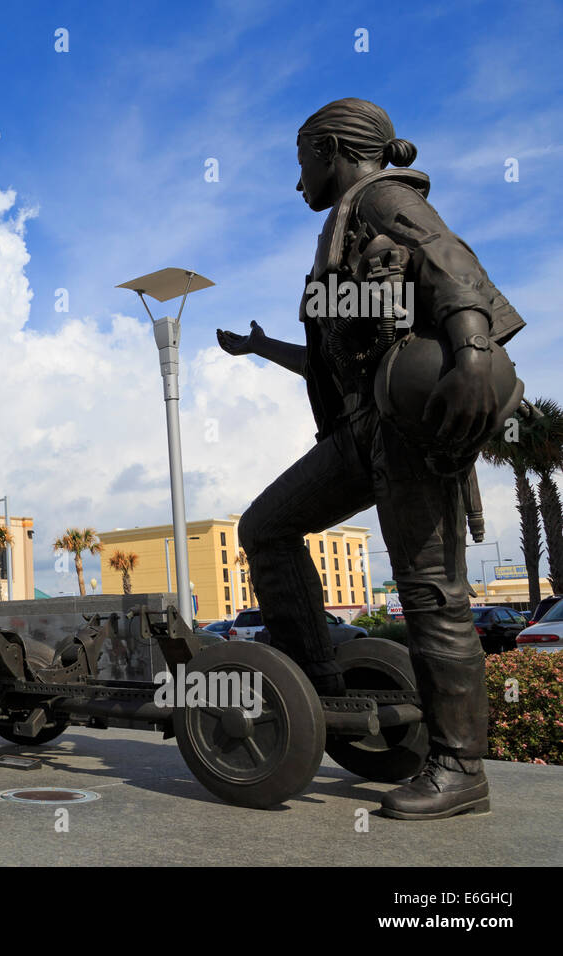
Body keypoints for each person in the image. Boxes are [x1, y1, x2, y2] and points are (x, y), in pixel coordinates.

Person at [217, 98, 523, 820]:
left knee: (430, 593)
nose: (298, 183)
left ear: (329, 149)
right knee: (266, 526)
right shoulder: (344, 222)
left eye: (302, 164)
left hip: (406, 427)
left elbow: (453, 265)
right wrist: (263, 348)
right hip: (359, 433)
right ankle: (319, 685)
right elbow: (338, 362)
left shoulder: (383, 197)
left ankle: (458, 768)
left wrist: (474, 352)